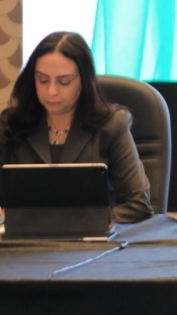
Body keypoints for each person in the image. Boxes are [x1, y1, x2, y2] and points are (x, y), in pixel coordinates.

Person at [0, 32, 153, 223]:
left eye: (64, 82)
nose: (51, 91)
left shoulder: (111, 125)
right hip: (25, 237)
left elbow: (138, 204)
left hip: (90, 237)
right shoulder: (12, 123)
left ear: (84, 81)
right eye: (42, 80)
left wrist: (76, 223)